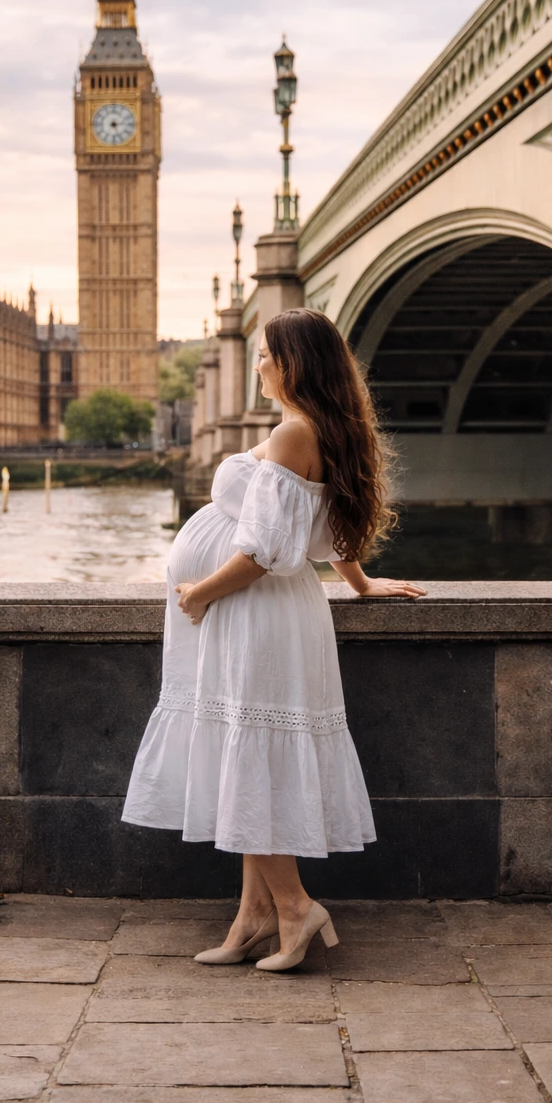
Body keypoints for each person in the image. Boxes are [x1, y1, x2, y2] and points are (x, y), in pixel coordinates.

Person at [122, 308, 423, 970]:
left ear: (291, 364)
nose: (255, 365)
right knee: (247, 754)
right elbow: (324, 530)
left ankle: (294, 908)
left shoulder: (293, 433)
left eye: (263, 356)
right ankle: (253, 916)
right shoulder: (312, 430)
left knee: (247, 759)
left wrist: (200, 592)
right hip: (268, 612)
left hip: (253, 610)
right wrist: (361, 584)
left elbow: (262, 551)